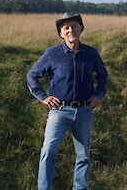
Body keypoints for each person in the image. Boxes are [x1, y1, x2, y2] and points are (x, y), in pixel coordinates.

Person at [26, 12, 108, 190]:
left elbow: (103, 76)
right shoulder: (52, 54)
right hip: (59, 112)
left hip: (84, 111)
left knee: (83, 155)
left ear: (81, 29)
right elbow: (32, 75)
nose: (71, 30)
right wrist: (43, 97)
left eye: (74, 26)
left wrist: (99, 95)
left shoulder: (91, 53)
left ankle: (80, 187)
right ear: (61, 33)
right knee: (48, 151)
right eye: (66, 28)